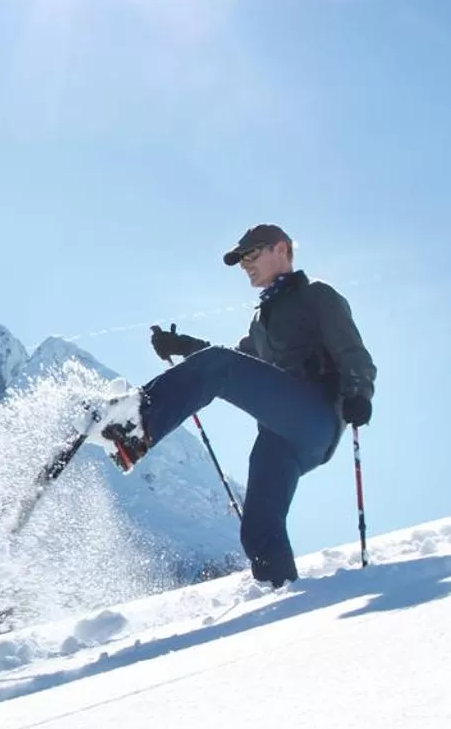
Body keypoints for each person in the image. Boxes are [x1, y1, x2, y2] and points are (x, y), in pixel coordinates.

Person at [81, 224, 376, 589]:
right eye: (241, 260)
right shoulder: (261, 320)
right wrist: (183, 345)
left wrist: (360, 393)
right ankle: (281, 592)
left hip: (315, 416)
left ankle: (133, 428)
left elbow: (353, 353)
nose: (245, 264)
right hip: (280, 435)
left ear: (281, 249)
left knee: (218, 366)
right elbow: (237, 363)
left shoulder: (316, 295)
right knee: (259, 524)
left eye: (252, 254)